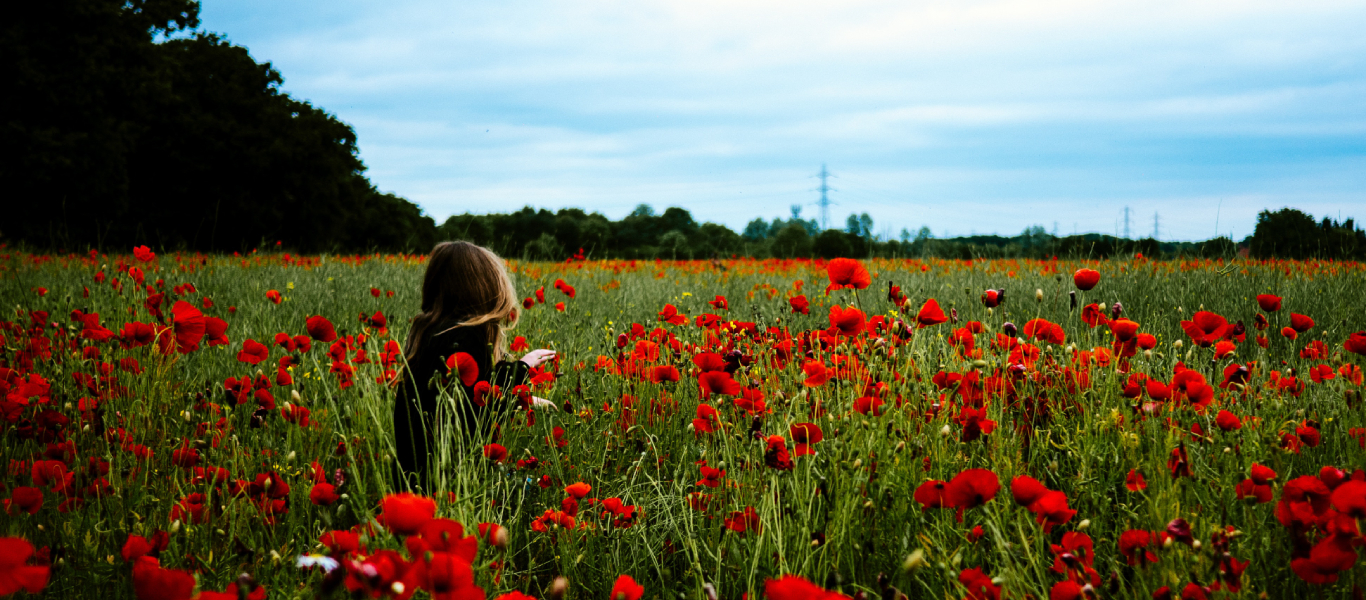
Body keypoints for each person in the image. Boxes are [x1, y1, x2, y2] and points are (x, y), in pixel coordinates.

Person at [392, 241, 555, 491]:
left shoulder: (429, 333)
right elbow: (475, 412)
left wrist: (524, 399)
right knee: (534, 487)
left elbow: (463, 395)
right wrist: (523, 366)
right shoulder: (466, 338)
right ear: (484, 289)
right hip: (447, 481)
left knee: (523, 480)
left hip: (412, 479)